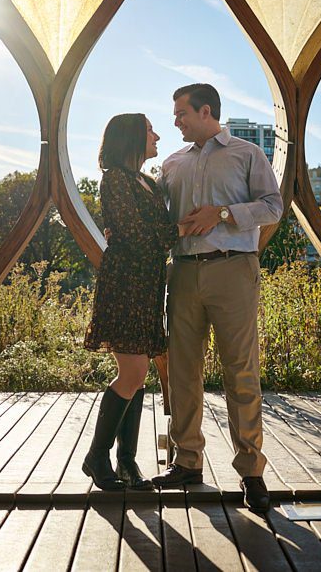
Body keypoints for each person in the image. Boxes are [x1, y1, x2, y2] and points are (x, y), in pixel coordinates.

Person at [150, 83, 283, 513]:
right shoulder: (170, 166)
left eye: (181, 113)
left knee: (240, 370)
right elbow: (159, 221)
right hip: (184, 273)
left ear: (206, 111)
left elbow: (273, 207)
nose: (176, 121)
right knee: (183, 371)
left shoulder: (247, 154)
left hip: (233, 269)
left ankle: (251, 472)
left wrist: (222, 214)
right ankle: (187, 462)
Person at [82, 113, 181, 491]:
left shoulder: (146, 182)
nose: (157, 135)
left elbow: (149, 232)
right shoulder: (115, 180)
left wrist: (164, 232)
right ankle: (97, 457)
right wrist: (179, 230)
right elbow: (138, 235)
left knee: (137, 379)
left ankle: (126, 463)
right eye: (150, 130)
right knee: (134, 373)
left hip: (146, 286)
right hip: (125, 286)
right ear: (132, 138)